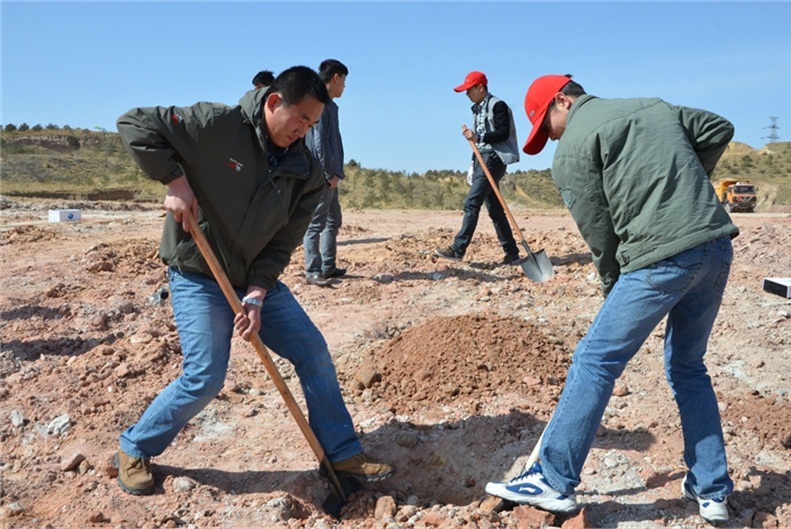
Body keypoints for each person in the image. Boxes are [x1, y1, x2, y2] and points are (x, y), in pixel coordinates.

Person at [114, 66, 395, 496]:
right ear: (273, 102)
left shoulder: (306, 172)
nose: (303, 131)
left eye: (312, 125)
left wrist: (259, 293)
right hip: (198, 273)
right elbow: (134, 123)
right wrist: (174, 179)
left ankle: (341, 453)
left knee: (313, 351)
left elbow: (282, 244)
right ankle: (135, 446)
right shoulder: (216, 125)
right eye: (299, 119)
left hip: (251, 277)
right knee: (206, 376)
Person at [483, 74, 738, 525]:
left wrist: (611, 288)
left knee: (594, 360)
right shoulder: (654, 105)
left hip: (660, 258)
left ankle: (553, 478)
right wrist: (685, 188)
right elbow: (719, 128)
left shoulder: (574, 149)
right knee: (687, 366)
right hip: (715, 247)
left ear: (564, 100)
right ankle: (710, 488)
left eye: (549, 125)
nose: (553, 135)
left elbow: (600, 235)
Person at [434, 71, 521, 265]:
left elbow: (503, 133)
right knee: (495, 210)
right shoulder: (477, 108)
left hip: (494, 159)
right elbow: (479, 142)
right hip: (482, 159)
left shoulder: (497, 105)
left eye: (469, 90)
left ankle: (458, 249)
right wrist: (473, 164)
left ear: (480, 87)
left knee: (471, 202)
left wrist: (478, 138)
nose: (467, 95)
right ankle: (512, 252)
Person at [303, 59, 349, 287]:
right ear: (336, 77)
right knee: (316, 223)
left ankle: (328, 266)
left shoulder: (330, 104)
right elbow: (319, 142)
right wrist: (328, 172)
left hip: (331, 175)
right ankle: (313, 271)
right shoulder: (320, 104)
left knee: (333, 219)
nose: (345, 87)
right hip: (323, 176)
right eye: (344, 81)